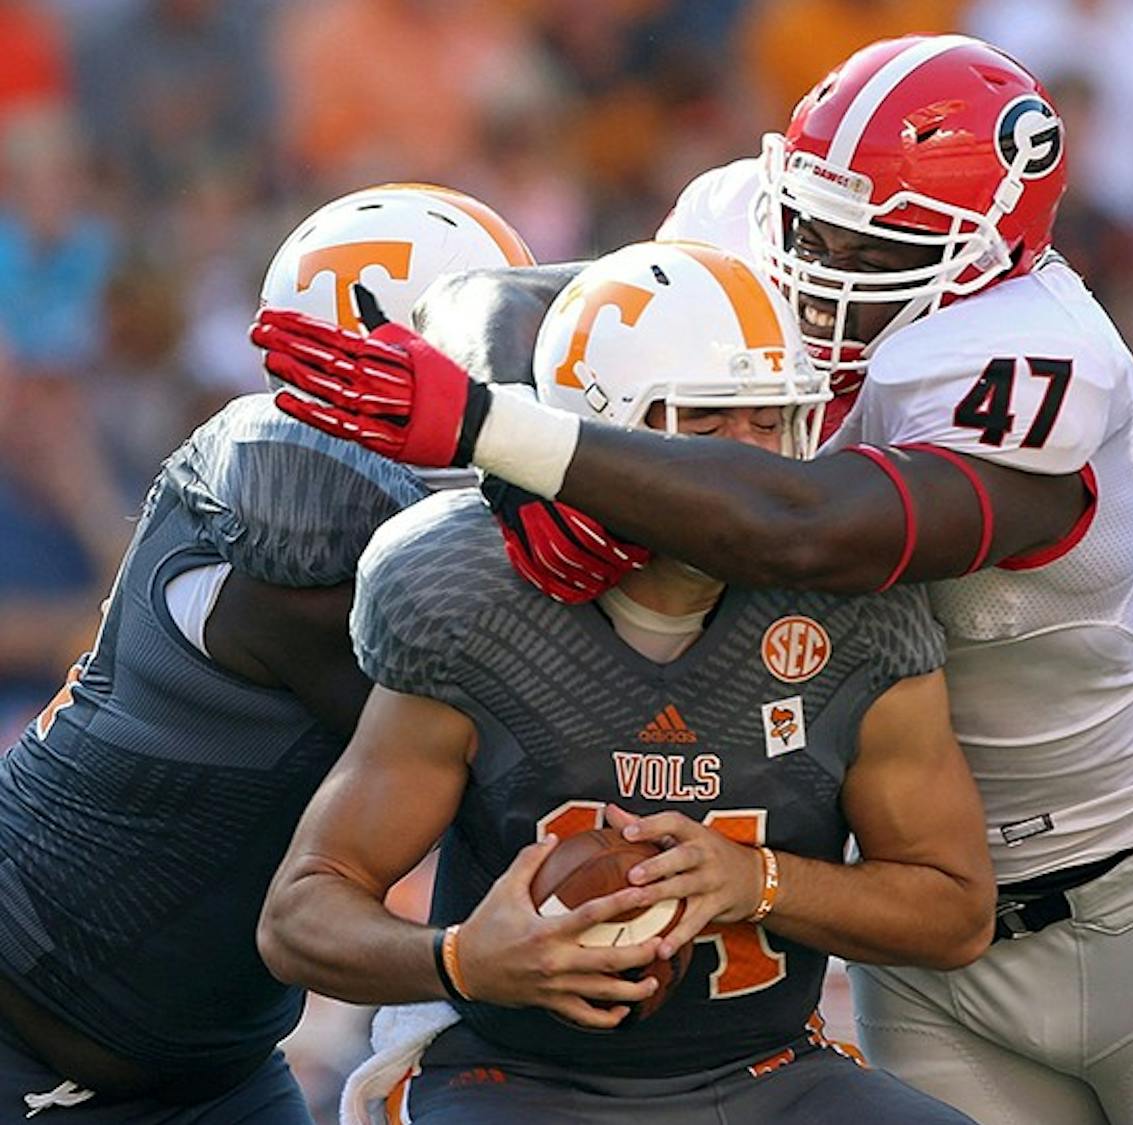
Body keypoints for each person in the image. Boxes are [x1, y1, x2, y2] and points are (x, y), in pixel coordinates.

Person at [253, 34, 1133, 1125]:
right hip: (907, 913)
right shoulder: (750, 226)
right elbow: (516, 303)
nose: (808, 264)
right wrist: (517, 466)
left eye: (860, 244)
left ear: (978, 255)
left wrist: (503, 432)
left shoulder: (1038, 360)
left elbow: (807, 530)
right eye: (805, 222)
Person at [255, 240, 994, 1125]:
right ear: (592, 436)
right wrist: (461, 959)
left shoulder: (852, 606)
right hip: (514, 1075)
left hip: (768, 1071)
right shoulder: (470, 596)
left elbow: (955, 911)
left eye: (771, 421)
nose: (751, 464)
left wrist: (757, 879)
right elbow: (300, 912)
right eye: (709, 424)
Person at [0, 183, 535, 1122]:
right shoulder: (294, 561)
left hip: (216, 1064)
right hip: (26, 1023)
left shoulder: (322, 503)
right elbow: (520, 734)